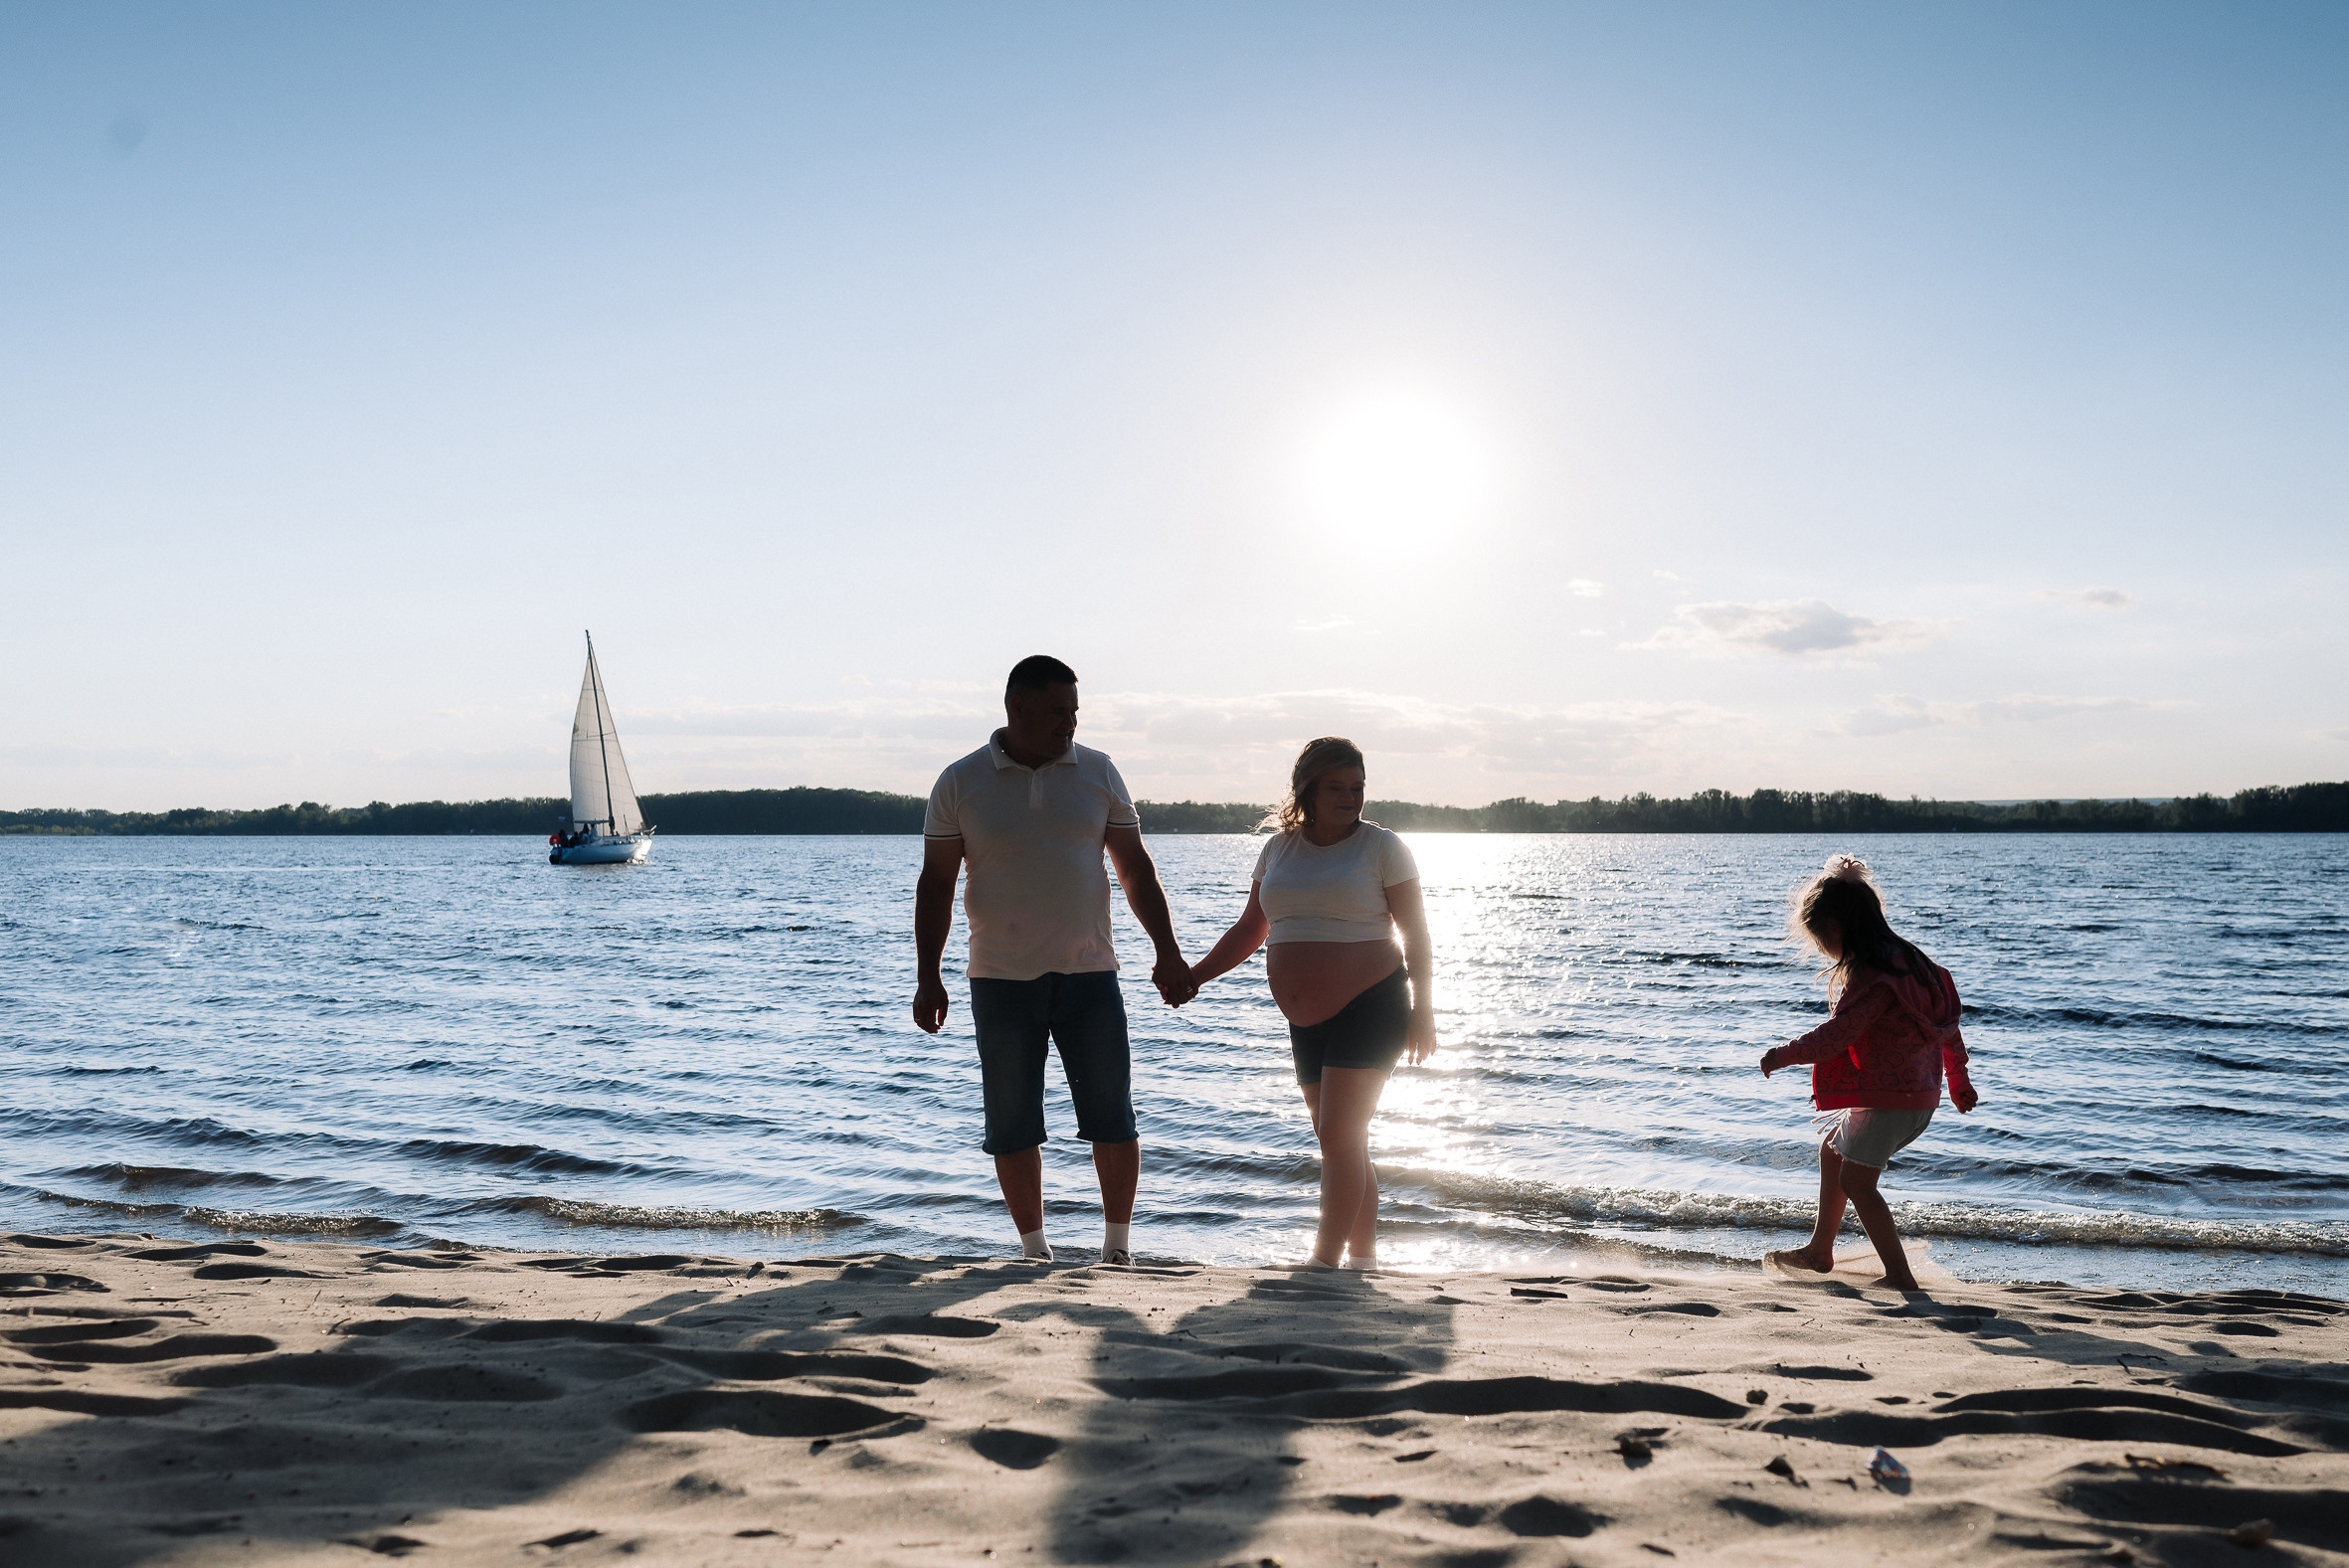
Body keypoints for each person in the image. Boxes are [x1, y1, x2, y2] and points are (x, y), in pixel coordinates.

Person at [912, 655, 1195, 1265]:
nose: (1067, 724)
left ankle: (1117, 1248)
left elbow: (1134, 867)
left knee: (1112, 1114)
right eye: (1054, 714)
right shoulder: (960, 782)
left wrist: (1168, 950)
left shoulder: (1098, 772)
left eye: (1073, 712)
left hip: (1091, 971)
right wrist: (928, 977)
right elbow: (935, 884)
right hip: (999, 977)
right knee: (1011, 1122)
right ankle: (1034, 1251)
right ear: (1015, 710)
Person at [1186, 737, 1435, 1270]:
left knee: (1341, 1137)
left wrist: (1424, 1009)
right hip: (1306, 1018)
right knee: (1341, 1140)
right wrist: (1196, 976)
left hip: (1373, 1004)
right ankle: (1364, 1256)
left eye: (1358, 788)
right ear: (1309, 791)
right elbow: (1252, 928)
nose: (1351, 798)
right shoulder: (1279, 848)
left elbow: (1416, 933)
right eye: (1337, 788)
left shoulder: (1382, 847)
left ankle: (1323, 1261)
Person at [1759, 853, 1980, 1292]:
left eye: (1820, 940)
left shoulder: (1872, 974)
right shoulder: (1914, 963)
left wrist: (1782, 1055)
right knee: (1834, 1151)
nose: (1824, 950)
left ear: (1836, 927)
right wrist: (1958, 1080)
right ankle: (1820, 1250)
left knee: (1857, 1182)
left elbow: (1837, 1035)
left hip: (1888, 1101)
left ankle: (1900, 1275)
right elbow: (1946, 1026)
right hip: (1917, 1097)